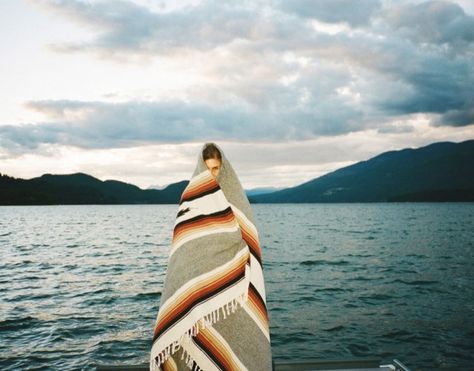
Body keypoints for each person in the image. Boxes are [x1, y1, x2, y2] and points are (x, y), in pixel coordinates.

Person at [150, 142, 272, 371]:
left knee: (238, 344)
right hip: (197, 295)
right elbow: (183, 251)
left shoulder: (236, 200)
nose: (211, 174)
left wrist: (234, 262)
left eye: (216, 168)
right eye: (208, 168)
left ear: (223, 169)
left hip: (233, 292)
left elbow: (250, 239)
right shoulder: (189, 202)